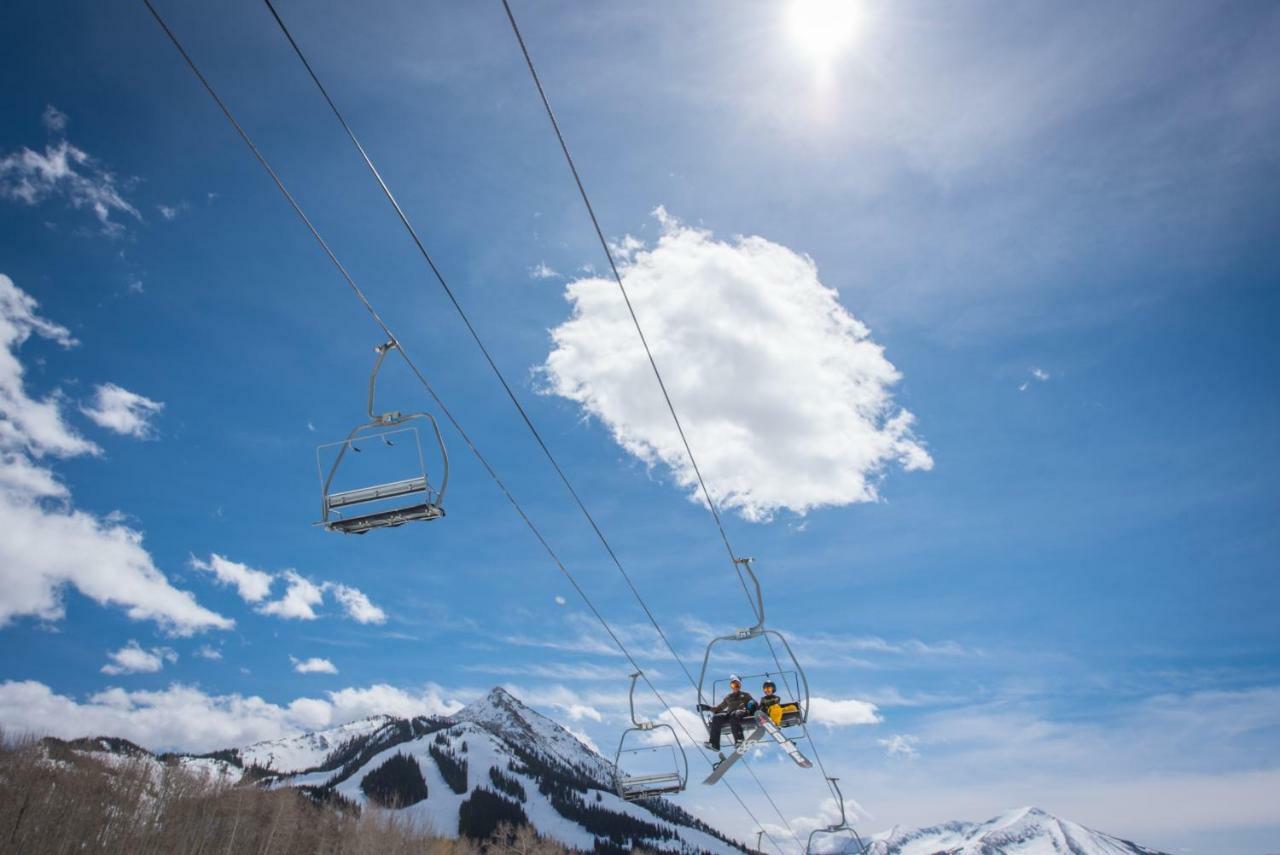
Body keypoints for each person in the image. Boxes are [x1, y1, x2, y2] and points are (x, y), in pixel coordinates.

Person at [697, 674, 755, 752]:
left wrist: (751, 710)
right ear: (731, 686)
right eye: (734, 685)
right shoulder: (729, 697)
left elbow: (752, 704)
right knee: (717, 717)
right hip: (730, 714)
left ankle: (739, 740)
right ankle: (714, 744)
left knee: (734, 714)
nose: (736, 687)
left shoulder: (745, 695)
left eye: (737, 685)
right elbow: (719, 709)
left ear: (740, 685)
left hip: (741, 712)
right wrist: (707, 708)